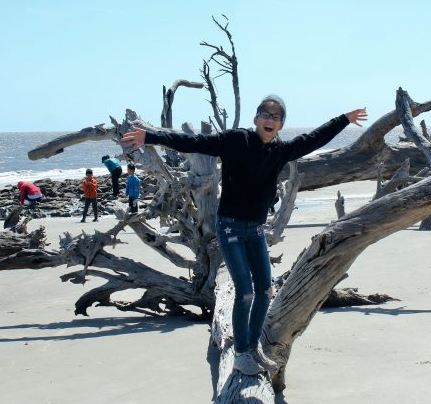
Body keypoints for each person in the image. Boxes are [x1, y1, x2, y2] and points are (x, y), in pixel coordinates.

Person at [121, 94, 368, 375]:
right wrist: (150, 136)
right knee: (246, 292)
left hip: (256, 230)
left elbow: (314, 139)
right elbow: (195, 143)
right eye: (265, 113)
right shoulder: (237, 140)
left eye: (276, 116)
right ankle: (241, 353)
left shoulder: (280, 151)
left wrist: (344, 119)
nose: (270, 119)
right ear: (256, 119)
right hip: (230, 228)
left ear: (281, 124)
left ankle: (253, 348)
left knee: (265, 290)